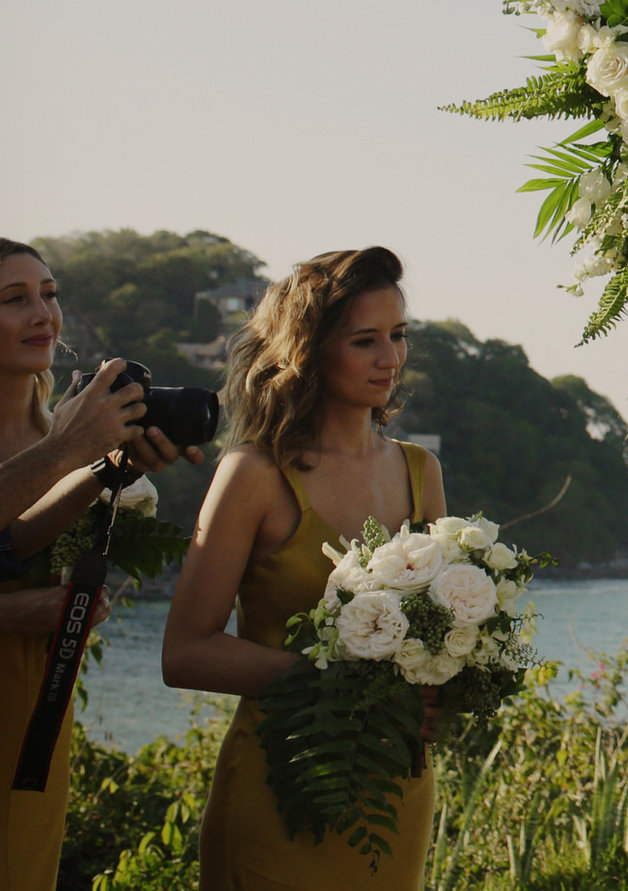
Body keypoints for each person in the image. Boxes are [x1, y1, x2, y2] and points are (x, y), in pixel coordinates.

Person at [163, 246, 447, 891]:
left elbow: (431, 638)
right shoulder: (254, 474)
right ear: (309, 350)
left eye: (398, 336)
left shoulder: (420, 471)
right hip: (279, 785)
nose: (391, 358)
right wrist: (341, 681)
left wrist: (447, 683)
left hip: (393, 792)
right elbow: (184, 653)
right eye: (365, 341)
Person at [0, 239, 200, 890]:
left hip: (35, 710)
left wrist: (113, 467)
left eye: (50, 294)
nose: (43, 314)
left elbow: (16, 542)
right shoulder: (62, 436)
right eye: (15, 299)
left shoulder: (58, 428)